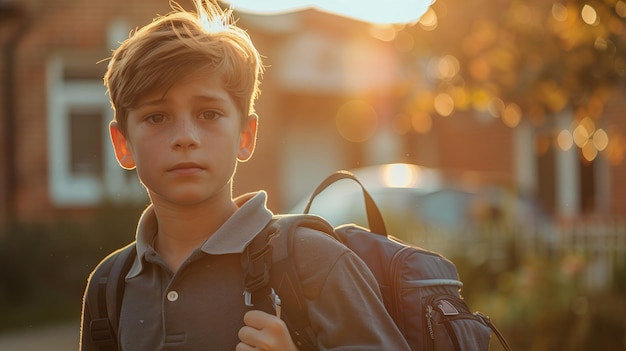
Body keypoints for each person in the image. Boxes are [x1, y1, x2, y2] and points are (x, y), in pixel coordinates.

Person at [79, 0, 410, 350]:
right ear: (122, 144)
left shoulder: (314, 261)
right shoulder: (109, 286)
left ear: (246, 136)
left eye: (208, 114)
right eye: (157, 117)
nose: (185, 137)